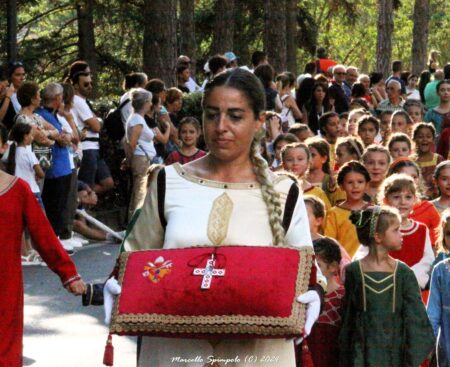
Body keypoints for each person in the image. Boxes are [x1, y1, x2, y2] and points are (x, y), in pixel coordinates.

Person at [118, 68, 323, 366]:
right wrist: (121, 282)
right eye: (212, 115)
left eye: (235, 116)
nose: (221, 126)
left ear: (259, 122)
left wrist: (313, 291)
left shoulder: (284, 191)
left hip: (257, 354)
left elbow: (304, 267)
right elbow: (136, 258)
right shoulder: (169, 181)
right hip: (174, 352)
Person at [0, 123, 86, 366]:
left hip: (4, 287)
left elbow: (44, 236)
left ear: (4, 147)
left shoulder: (18, 190)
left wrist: (68, 273)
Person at [340, 206, 434, 366]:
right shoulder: (354, 271)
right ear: (378, 236)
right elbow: (348, 316)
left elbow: (416, 317)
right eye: (396, 230)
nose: (401, 234)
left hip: (395, 353)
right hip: (362, 352)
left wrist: (413, 355)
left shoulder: (403, 273)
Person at [379, 174, 435, 288]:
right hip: (385, 286)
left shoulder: (422, 229)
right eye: (396, 197)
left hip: (414, 289)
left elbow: (428, 260)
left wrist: (409, 276)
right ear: (385, 200)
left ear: (415, 199)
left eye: (408, 197)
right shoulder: (379, 228)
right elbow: (366, 254)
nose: (403, 202)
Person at [69, 61, 114, 194]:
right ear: (76, 85)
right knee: (86, 186)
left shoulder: (84, 102)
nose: (90, 86)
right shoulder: (77, 101)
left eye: (90, 82)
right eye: (86, 84)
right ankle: (82, 208)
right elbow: (96, 126)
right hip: (87, 148)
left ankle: (83, 203)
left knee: (108, 183)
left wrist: (95, 122)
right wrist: (96, 122)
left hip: (95, 148)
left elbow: (96, 122)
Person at [125, 88, 170, 217]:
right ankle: (134, 223)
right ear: (145, 103)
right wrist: (128, 160)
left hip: (143, 158)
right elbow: (132, 142)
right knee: (139, 192)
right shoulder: (137, 120)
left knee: (140, 191)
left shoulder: (138, 118)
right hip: (141, 159)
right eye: (150, 101)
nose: (151, 104)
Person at [302, 237, 345, 367]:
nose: (312, 270)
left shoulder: (344, 297)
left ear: (333, 267)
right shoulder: (303, 296)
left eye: (318, 266)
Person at [387, 157, 440, 247]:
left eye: (414, 177)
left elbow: (437, 242)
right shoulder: (383, 211)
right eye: (404, 176)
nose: (410, 180)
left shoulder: (428, 208)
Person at [324, 161, 371, 257]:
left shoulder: (375, 211)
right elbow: (329, 244)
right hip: (343, 266)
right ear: (341, 186)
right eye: (350, 182)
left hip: (369, 267)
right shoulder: (334, 214)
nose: (355, 186)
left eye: (360, 182)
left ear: (367, 185)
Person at [280, 142, 331, 211]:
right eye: (289, 160)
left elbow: (326, 218)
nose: (295, 163)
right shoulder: (278, 190)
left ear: (308, 163)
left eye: (300, 159)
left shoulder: (318, 193)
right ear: (283, 164)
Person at [412, 123, 443, 198]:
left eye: (428, 136)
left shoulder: (438, 159)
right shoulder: (410, 161)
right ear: (414, 138)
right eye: (420, 136)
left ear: (433, 139)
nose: (424, 139)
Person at [0, 64, 16, 130]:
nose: (7, 83)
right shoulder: (7, 98)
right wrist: (8, 97)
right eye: (3, 79)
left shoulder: (5, 99)